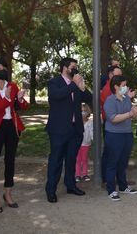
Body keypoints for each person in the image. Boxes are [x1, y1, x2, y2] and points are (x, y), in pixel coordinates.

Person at [45, 57, 92, 203]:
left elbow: (89, 98)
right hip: (59, 130)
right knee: (56, 160)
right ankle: (51, 190)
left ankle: (71, 185)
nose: (75, 69)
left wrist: (82, 87)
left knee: (71, 160)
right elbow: (56, 96)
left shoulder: (76, 84)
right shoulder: (54, 82)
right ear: (65, 68)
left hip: (75, 129)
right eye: (73, 67)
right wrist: (74, 84)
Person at [0, 58, 28, 213]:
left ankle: (7, 193)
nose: (3, 69)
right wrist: (7, 99)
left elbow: (22, 106)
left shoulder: (12, 85)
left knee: (10, 160)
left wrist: (19, 99)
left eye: (4, 67)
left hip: (11, 126)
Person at [103, 75, 137, 201]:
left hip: (127, 134)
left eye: (125, 85)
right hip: (113, 135)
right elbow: (113, 119)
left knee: (123, 162)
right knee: (112, 163)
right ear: (116, 86)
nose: (126, 88)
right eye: (123, 85)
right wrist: (130, 114)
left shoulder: (126, 99)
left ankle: (123, 186)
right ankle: (111, 190)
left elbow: (132, 116)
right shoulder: (110, 101)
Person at [100, 65, 122, 184]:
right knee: (110, 152)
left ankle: (112, 177)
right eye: (118, 75)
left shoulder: (115, 88)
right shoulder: (108, 89)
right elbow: (113, 109)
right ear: (110, 75)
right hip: (110, 124)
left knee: (115, 151)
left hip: (117, 124)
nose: (120, 77)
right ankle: (106, 178)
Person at [75, 104, 93, 183]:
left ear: (88, 112)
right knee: (77, 159)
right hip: (77, 144)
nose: (83, 113)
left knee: (84, 159)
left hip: (86, 144)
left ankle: (85, 174)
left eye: (84, 111)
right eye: (81, 111)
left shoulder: (90, 122)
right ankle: (77, 174)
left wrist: (93, 140)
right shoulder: (76, 122)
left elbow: (92, 132)